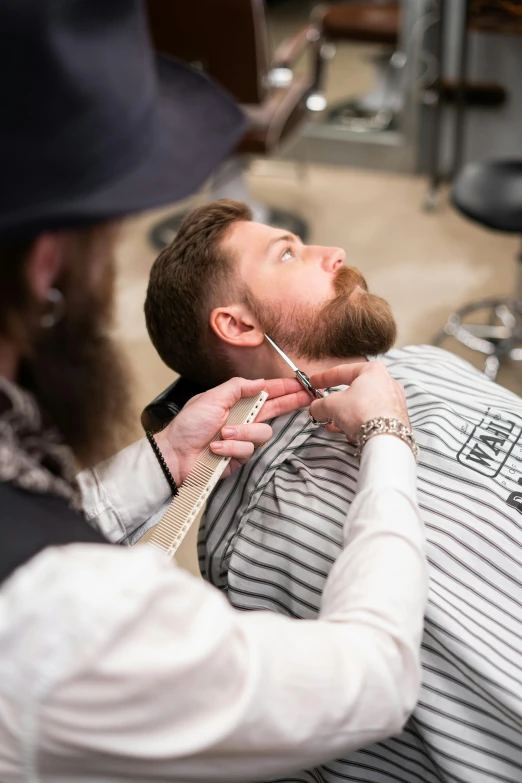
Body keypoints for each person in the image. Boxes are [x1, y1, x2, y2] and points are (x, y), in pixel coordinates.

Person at [0, 2, 428, 781]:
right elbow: (369, 680)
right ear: (47, 266)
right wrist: (388, 443)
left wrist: (162, 459)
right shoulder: (68, 621)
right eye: (108, 236)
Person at [145, 199, 522, 783]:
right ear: (241, 325)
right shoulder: (270, 526)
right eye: (289, 253)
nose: (336, 253)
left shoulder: (423, 363)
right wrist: (385, 433)